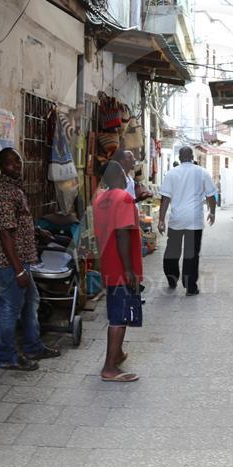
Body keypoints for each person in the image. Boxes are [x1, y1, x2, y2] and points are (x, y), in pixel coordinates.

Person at [0, 148, 60, 371]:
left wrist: (36, 230)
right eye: (10, 163)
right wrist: (18, 270)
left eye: (18, 162)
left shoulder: (14, 187)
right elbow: (5, 234)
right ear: (1, 166)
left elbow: (18, 221)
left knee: (31, 301)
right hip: (12, 263)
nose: (16, 167)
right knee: (11, 308)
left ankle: (32, 345)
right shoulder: (2, 192)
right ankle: (7, 356)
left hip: (23, 260)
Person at [93, 161, 144, 382]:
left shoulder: (99, 199)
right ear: (121, 175)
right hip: (120, 265)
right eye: (124, 172)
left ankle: (118, 354)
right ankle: (109, 367)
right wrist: (129, 269)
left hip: (107, 262)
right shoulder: (123, 198)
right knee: (119, 316)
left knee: (117, 308)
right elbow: (123, 234)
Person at [157, 146, 217, 295]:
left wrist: (161, 219)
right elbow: (210, 195)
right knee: (191, 254)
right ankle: (190, 287)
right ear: (192, 157)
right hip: (194, 220)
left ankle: (172, 278)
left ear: (179, 157)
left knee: (172, 250)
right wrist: (212, 212)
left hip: (176, 219)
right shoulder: (202, 172)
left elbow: (165, 198)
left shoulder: (171, 173)